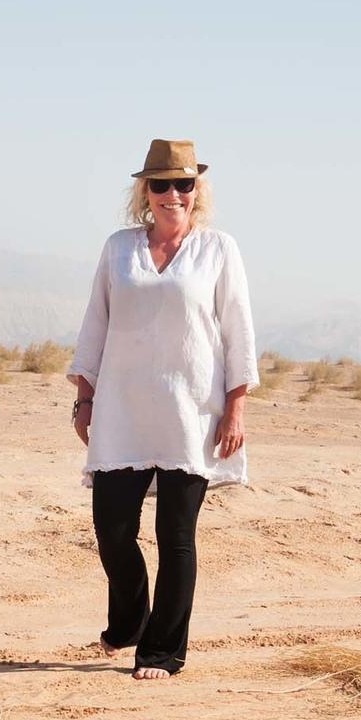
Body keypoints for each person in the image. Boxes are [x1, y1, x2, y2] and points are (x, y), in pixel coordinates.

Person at [67, 138, 258, 680]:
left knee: (176, 538)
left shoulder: (219, 249)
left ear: (198, 190)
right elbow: (95, 324)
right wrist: (85, 396)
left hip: (191, 412)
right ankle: (129, 621)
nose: (172, 193)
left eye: (184, 183)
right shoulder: (118, 248)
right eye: (161, 184)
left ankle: (162, 651)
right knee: (111, 528)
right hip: (121, 410)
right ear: (144, 192)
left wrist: (235, 409)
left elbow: (237, 330)